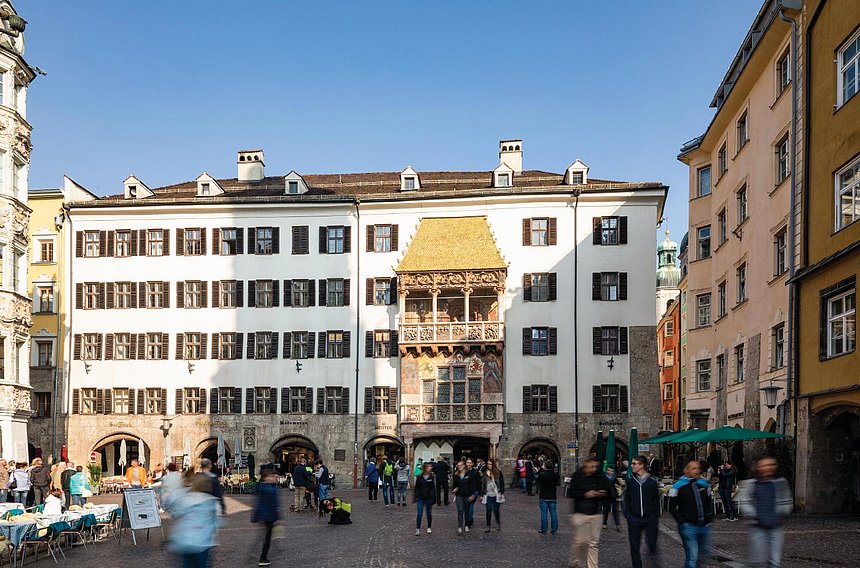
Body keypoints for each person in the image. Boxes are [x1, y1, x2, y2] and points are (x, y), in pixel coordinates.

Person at [737, 456, 793, 568]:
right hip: (757, 526)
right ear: (758, 467)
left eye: (771, 465)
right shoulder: (751, 484)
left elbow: (787, 500)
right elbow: (743, 501)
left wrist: (781, 513)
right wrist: (755, 515)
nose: (768, 468)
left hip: (776, 526)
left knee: (775, 561)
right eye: (764, 465)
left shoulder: (780, 483)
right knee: (757, 560)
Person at [163, 471, 221, 568]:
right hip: (201, 542)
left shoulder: (184, 498)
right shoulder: (210, 501)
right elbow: (216, 520)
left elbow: (175, 514)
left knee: (185, 563)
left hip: (183, 541)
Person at [568, 457, 613, 568]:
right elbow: (571, 492)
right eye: (591, 466)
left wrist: (603, 493)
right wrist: (585, 494)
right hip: (580, 513)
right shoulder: (578, 475)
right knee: (579, 541)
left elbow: (609, 490)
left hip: (596, 513)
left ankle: (592, 566)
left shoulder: (599, 476)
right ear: (586, 464)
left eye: (595, 466)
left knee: (593, 543)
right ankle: (574, 562)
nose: (593, 469)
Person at [668, 460, 714, 568]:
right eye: (694, 468)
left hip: (704, 525)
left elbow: (709, 503)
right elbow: (671, 507)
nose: (697, 470)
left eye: (698, 468)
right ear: (686, 471)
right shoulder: (677, 486)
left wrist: (709, 518)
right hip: (688, 526)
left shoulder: (704, 484)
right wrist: (682, 521)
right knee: (692, 555)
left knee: (703, 554)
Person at [624, 455, 662, 568]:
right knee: (634, 546)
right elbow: (627, 499)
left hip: (650, 519)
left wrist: (654, 515)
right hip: (634, 519)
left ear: (642, 465)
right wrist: (628, 515)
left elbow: (656, 499)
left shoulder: (651, 482)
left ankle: (654, 564)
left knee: (652, 545)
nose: (632, 466)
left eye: (635, 464)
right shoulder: (631, 481)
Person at [251, 469, 280, 567]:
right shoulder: (271, 489)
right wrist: (278, 517)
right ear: (267, 477)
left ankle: (261, 555)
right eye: (273, 476)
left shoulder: (261, 487)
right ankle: (263, 558)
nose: (275, 478)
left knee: (266, 535)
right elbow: (275, 504)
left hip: (263, 516)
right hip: (269, 516)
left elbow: (258, 503)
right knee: (267, 537)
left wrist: (255, 517)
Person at [451, 459, 478, 534]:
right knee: (460, 511)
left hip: (467, 495)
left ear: (463, 466)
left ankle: (466, 525)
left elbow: (473, 485)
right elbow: (454, 486)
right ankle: (459, 526)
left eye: (460, 465)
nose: (459, 467)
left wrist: (473, 494)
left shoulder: (469, 474)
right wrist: (454, 489)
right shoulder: (456, 475)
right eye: (458, 465)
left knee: (466, 511)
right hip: (459, 495)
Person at [536, 459, 559, 535]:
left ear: (545, 466)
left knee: (544, 514)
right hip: (552, 496)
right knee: (553, 513)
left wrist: (541, 469)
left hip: (543, 496)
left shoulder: (542, 475)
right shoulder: (555, 475)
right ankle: (554, 529)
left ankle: (544, 529)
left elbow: (537, 478)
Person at [481, 458, 505, 532]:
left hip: (496, 494)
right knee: (488, 510)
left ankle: (498, 523)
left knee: (496, 510)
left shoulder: (498, 472)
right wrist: (482, 493)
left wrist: (502, 491)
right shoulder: (485, 473)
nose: (489, 465)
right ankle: (488, 526)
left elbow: (501, 483)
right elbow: (483, 484)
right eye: (488, 464)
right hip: (488, 493)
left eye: (490, 464)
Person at [414, 462, 435, 535]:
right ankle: (418, 528)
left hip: (429, 497)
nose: (430, 467)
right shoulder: (419, 477)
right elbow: (416, 487)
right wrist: (416, 496)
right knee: (420, 513)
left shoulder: (431, 477)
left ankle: (429, 526)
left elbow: (433, 488)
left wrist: (433, 498)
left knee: (429, 513)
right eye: (428, 466)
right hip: (421, 497)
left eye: (430, 466)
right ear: (425, 468)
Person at [602, 466, 623, 532]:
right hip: (606, 496)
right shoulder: (604, 477)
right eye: (609, 470)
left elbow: (619, 485)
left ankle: (617, 524)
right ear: (607, 471)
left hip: (613, 495)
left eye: (611, 471)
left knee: (615, 511)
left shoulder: (614, 478)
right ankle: (604, 523)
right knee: (606, 510)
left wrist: (617, 485)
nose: (610, 472)